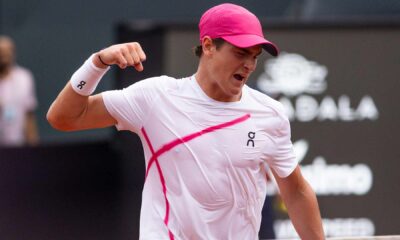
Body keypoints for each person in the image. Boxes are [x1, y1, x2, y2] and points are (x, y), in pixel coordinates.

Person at [47, 3, 324, 239]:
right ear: (208, 46)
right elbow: (63, 118)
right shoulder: (156, 97)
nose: (249, 65)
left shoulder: (269, 113)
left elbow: (296, 192)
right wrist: (97, 64)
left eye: (254, 57)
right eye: (240, 53)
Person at [0, 35, 39, 146]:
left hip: (17, 144)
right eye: (1, 51)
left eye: (7, 51)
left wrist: (33, 145)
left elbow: (29, 113)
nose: (4, 55)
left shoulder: (24, 78)